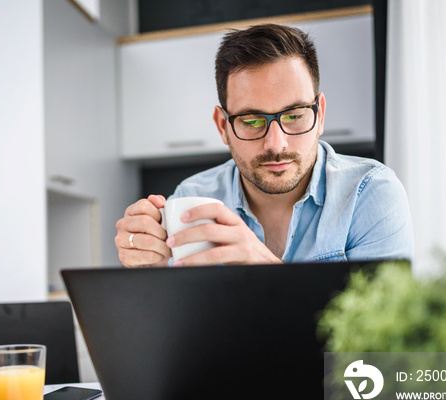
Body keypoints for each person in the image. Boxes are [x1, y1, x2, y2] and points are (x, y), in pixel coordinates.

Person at [115, 23, 413, 268]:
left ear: (320, 115)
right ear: (223, 126)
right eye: (252, 121)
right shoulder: (192, 199)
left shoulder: (371, 193)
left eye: (295, 116)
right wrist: (148, 270)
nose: (276, 143)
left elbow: (382, 337)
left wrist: (262, 265)